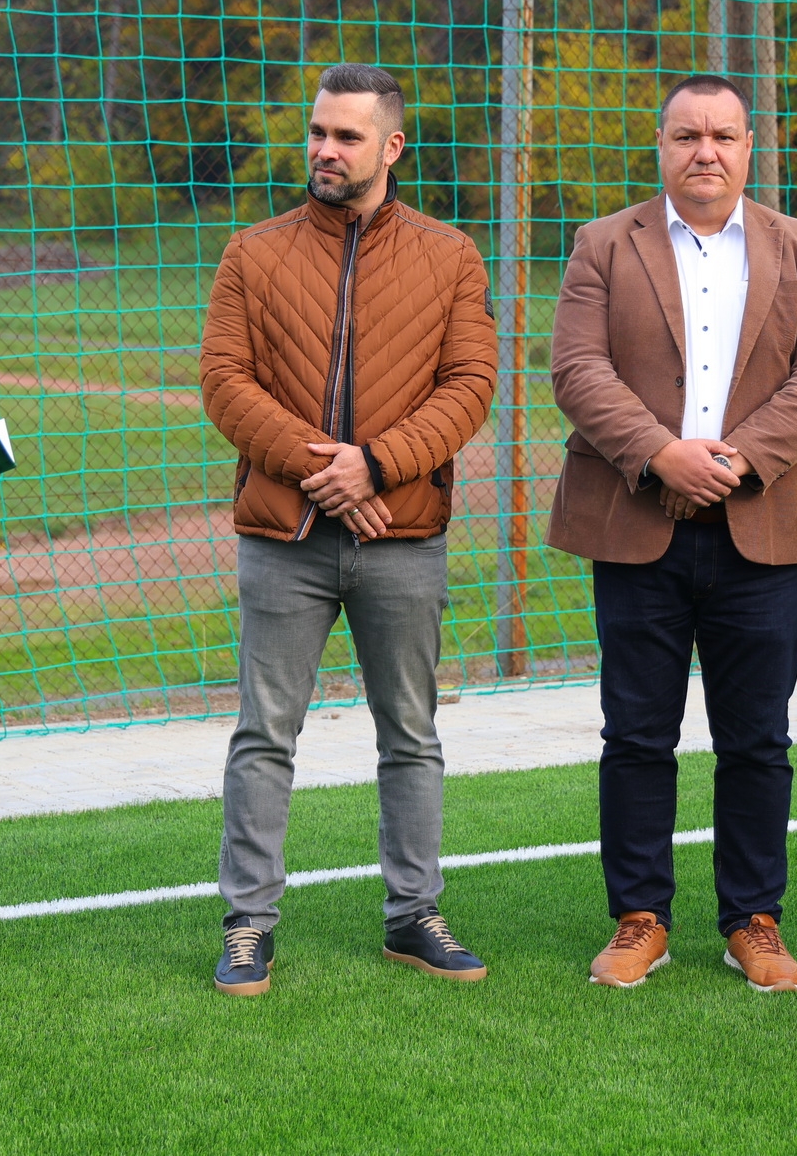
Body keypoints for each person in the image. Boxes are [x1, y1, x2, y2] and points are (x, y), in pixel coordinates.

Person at [547, 74, 797, 992]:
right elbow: (577, 368)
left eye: (723, 135)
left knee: (756, 737)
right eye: (687, 135)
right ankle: (639, 917)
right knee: (637, 734)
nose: (705, 151)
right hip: (635, 520)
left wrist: (735, 459)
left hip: (763, 523)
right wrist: (661, 454)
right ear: (662, 146)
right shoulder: (604, 243)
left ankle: (754, 919)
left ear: (750, 146)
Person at [198, 63, 497, 995]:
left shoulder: (452, 257)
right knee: (263, 733)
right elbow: (224, 382)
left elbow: (471, 386)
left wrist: (379, 463)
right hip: (282, 540)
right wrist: (328, 470)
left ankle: (414, 914)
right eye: (318, 132)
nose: (325, 149)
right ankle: (248, 923)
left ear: (391, 146)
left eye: (347, 136)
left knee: (410, 732)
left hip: (401, 536)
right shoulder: (252, 253)